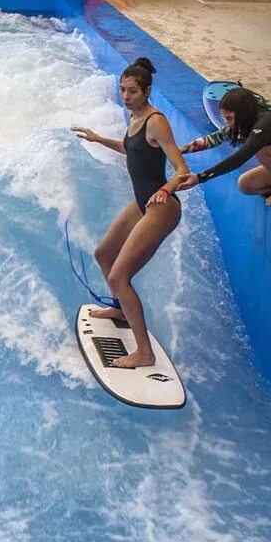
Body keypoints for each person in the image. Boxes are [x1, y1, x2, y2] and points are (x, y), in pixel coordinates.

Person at [70, 58, 190, 369]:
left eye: (132, 91)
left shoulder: (155, 121)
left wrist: (166, 190)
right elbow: (134, 149)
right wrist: (100, 139)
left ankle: (144, 353)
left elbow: (181, 170)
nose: (125, 96)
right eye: (122, 90)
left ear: (147, 91)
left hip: (161, 207)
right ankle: (121, 310)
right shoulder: (134, 118)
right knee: (103, 253)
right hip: (142, 203)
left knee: (119, 275)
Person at [165, 86, 271, 206]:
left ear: (242, 114)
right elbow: (215, 138)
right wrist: (176, 151)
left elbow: (240, 157)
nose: (227, 123)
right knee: (246, 185)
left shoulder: (268, 122)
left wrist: (200, 177)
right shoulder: (251, 114)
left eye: (230, 118)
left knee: (262, 149)